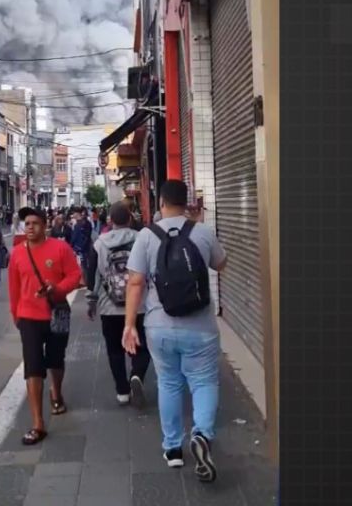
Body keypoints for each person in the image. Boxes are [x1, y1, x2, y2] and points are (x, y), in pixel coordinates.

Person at [122, 179, 228, 483]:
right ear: (188, 203)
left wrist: (129, 325)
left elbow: (135, 282)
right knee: (204, 381)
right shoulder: (203, 231)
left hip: (159, 325)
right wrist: (200, 229)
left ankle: (172, 450)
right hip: (201, 326)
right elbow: (221, 264)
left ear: (160, 202)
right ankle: (202, 434)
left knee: (169, 383)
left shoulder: (146, 236)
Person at [8, 207, 81, 446]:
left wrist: (57, 288)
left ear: (45, 225)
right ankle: (38, 422)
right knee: (33, 367)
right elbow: (14, 288)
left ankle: (56, 392)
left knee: (56, 359)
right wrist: (16, 315)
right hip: (29, 317)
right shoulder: (18, 253)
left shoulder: (60, 248)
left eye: (35, 223)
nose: (30, 227)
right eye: (26, 223)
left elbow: (75, 276)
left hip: (57, 312)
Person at [87, 203, 150, 406]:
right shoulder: (142, 238)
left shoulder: (99, 243)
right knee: (142, 346)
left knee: (114, 349)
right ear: (130, 218)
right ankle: (137, 374)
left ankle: (122, 391)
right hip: (139, 304)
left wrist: (92, 301)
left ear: (110, 221)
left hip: (109, 306)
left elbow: (92, 276)